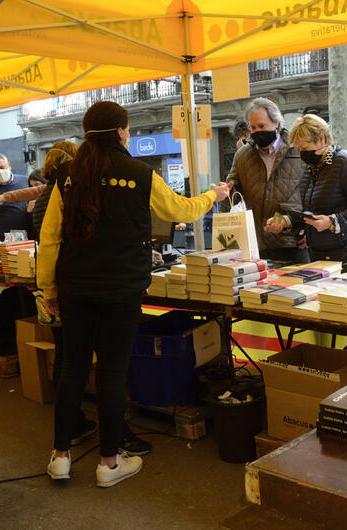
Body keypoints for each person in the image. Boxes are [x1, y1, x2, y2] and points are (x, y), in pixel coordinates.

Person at [38, 101, 230, 487]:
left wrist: (48, 287)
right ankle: (109, 463)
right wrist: (214, 195)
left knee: (72, 367)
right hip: (122, 288)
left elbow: (50, 237)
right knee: (111, 370)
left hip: (74, 287)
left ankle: (60, 455)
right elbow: (181, 209)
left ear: (87, 133)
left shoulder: (66, 175)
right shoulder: (140, 173)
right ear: (123, 131)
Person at [265, 114, 347, 276]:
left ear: (321, 139)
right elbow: (308, 209)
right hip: (324, 254)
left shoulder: (345, 163)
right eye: (299, 149)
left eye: (304, 149)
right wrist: (285, 220)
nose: (302, 154)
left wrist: (332, 221)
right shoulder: (312, 167)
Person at [226, 98, 308, 263]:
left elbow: (313, 195)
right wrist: (226, 191)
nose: (257, 132)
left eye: (262, 126)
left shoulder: (299, 151)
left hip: (293, 243)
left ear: (276, 123)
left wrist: (308, 230)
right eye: (253, 127)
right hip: (256, 244)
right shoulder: (242, 155)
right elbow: (233, 194)